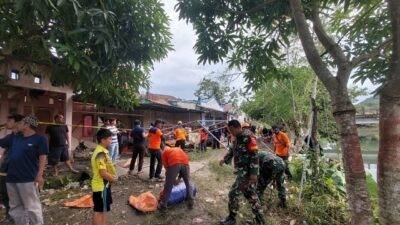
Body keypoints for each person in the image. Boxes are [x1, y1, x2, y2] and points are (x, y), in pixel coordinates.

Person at [0, 115, 48, 225]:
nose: (18, 124)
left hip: (27, 178)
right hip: (11, 178)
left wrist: (40, 175)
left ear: (27, 125)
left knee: (32, 207)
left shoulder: (40, 139)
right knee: (15, 207)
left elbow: (42, 157)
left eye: (21, 123)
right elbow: (2, 142)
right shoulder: (15, 137)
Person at [219, 120, 265, 225]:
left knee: (233, 194)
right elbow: (232, 150)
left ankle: (231, 219)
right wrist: (224, 159)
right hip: (242, 172)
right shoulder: (236, 138)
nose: (230, 133)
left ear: (236, 127)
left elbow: (255, 155)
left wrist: (254, 173)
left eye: (231, 130)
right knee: (252, 197)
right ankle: (260, 221)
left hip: (247, 173)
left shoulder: (248, 136)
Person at [0, 114, 24, 222]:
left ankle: (18, 215)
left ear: (17, 123)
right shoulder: (10, 136)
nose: (7, 122)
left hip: (18, 170)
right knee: (4, 192)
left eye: (10, 120)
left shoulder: (24, 136)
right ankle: (9, 214)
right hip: (5, 169)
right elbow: (4, 146)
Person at [91, 129, 118, 225]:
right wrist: (113, 179)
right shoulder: (100, 153)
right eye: (110, 139)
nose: (111, 141)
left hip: (103, 186)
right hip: (101, 186)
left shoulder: (102, 151)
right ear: (103, 140)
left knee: (102, 210)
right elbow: (102, 173)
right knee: (99, 211)